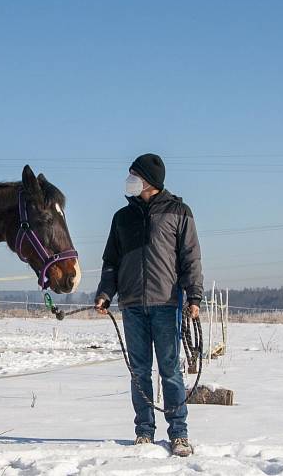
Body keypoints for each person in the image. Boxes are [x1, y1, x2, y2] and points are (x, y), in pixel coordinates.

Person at [94, 153, 203, 457]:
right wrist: (105, 293)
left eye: (133, 174)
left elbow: (190, 259)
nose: (128, 179)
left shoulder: (179, 212)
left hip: (167, 304)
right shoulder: (122, 218)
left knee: (170, 370)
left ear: (148, 180)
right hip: (131, 306)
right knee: (139, 371)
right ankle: (144, 431)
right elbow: (110, 262)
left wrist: (194, 297)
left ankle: (179, 434)